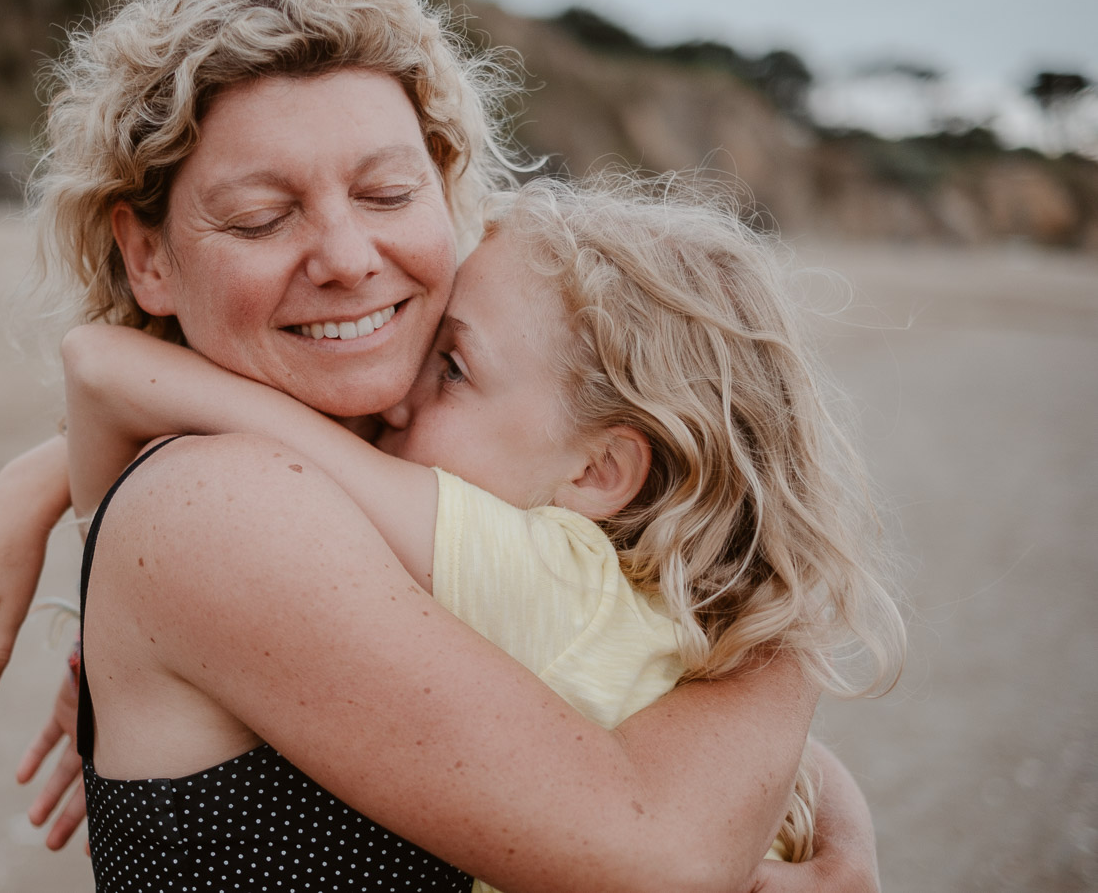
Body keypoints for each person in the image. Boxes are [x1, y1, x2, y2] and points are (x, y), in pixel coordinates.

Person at [0, 0, 890, 888]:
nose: (345, 255)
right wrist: (784, 609)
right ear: (146, 256)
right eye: (258, 216)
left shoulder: (413, 471)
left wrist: (835, 822)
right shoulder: (216, 506)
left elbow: (631, 683)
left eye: (387, 191)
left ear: (448, 189)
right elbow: (659, 846)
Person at [58, 172, 906, 881]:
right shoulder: (658, 606)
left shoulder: (554, 572)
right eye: (260, 216)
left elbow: (326, 465)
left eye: (452, 366)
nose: (396, 397)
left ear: (599, 472)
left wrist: (117, 375)